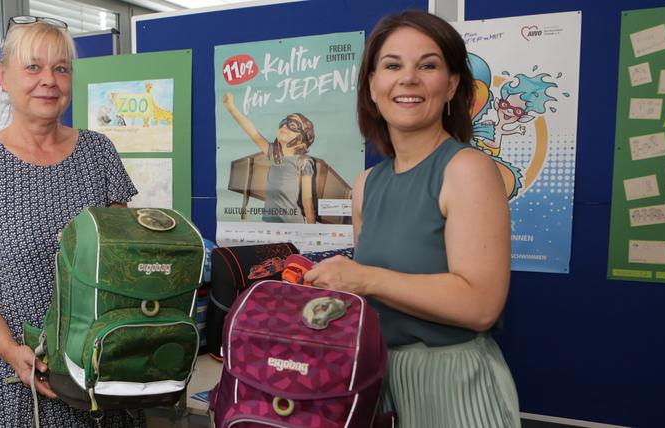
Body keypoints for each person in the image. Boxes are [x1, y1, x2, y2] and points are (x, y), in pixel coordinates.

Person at [303, 10, 520, 427]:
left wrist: (362, 279)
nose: (408, 79)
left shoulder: (466, 169)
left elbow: (481, 307)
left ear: (452, 84)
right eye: (392, 65)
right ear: (371, 85)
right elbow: (379, 299)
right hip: (378, 379)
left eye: (428, 65)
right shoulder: (368, 183)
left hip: (453, 386)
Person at [0, 16, 140, 427]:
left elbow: (123, 265)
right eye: (33, 66)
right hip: (21, 381)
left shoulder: (100, 154)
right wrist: (11, 351)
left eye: (60, 68)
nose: (49, 79)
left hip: (99, 377)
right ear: (3, 76)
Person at [221, 93, 318, 223]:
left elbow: (307, 200)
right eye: (283, 123)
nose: (285, 126)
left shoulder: (304, 161)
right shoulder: (273, 153)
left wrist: (311, 233)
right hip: (269, 222)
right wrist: (231, 107)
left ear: (302, 136)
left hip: (292, 224)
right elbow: (253, 133)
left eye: (292, 125)